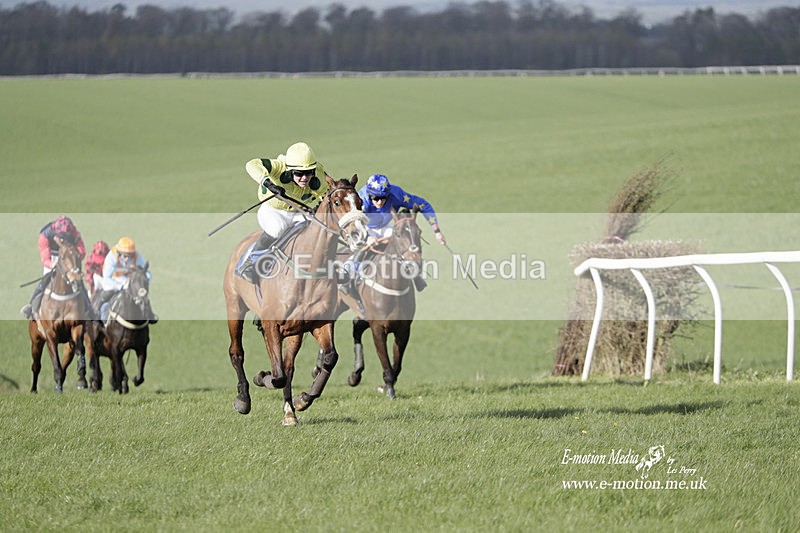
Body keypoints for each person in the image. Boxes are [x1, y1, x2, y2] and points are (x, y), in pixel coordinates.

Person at [237, 141, 334, 283]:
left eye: (308, 173)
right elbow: (251, 164)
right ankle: (249, 263)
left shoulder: (318, 175)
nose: (305, 178)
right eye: (299, 174)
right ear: (289, 170)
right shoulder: (279, 166)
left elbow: (325, 196)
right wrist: (268, 184)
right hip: (272, 210)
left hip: (298, 212)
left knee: (318, 230)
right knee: (277, 229)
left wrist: (318, 209)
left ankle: (329, 266)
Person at [344, 173, 445, 294]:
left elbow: (423, 204)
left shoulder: (396, 194)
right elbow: (352, 223)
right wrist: (367, 236)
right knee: (363, 248)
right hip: (365, 227)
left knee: (403, 244)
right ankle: (348, 277)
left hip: (386, 226)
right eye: (375, 198)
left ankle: (414, 275)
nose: (380, 202)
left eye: (383, 198)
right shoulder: (361, 199)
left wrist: (437, 231)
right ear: (369, 194)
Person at [21, 215, 87, 319]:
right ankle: (31, 305)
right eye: (61, 238)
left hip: (69, 255)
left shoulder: (73, 232)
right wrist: (52, 264)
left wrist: (76, 256)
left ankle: (90, 310)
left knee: (79, 281)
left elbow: (81, 249)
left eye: (66, 238)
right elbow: (45, 257)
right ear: (55, 234)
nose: (63, 241)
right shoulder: (45, 235)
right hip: (52, 256)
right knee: (46, 279)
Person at [92, 236, 157, 323]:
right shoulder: (112, 257)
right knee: (104, 297)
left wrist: (143, 282)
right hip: (114, 281)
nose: (127, 259)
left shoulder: (137, 256)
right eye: (124, 256)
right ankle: (97, 315)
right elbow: (107, 278)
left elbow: (147, 273)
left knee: (143, 296)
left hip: (130, 281)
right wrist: (121, 286)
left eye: (130, 255)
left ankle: (150, 315)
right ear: (118, 253)